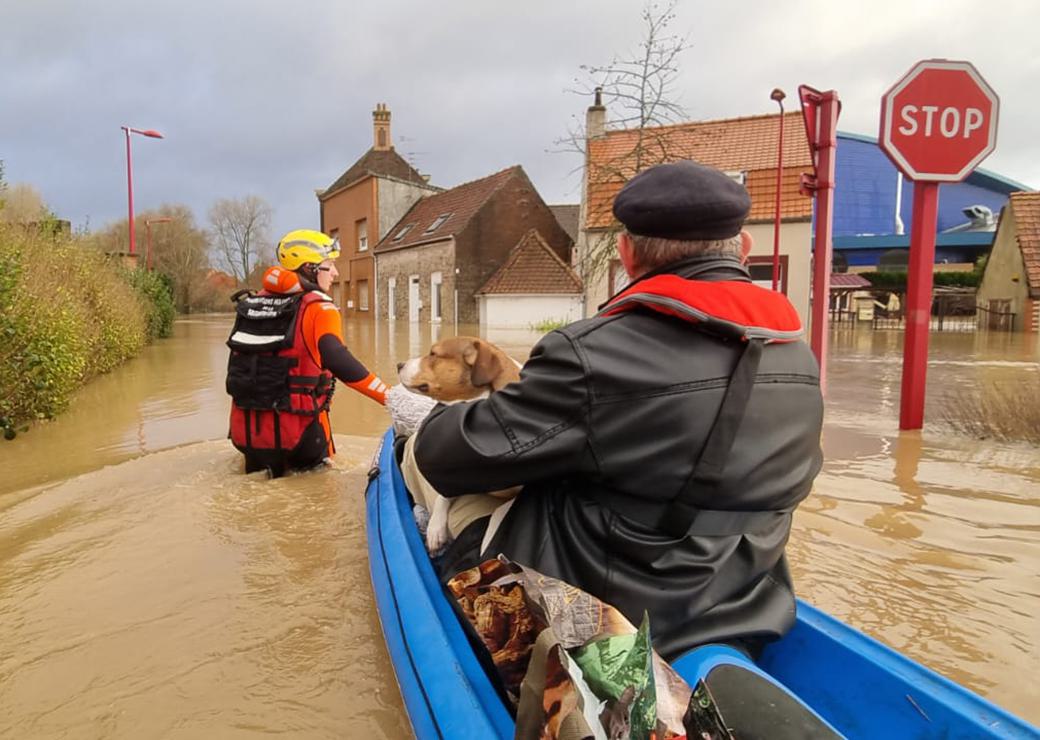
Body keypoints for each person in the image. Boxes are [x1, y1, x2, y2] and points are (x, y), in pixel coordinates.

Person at [398, 161, 824, 659]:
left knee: (418, 458)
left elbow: (446, 457)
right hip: (744, 600)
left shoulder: (589, 353)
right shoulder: (799, 355)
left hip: (603, 612)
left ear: (626, 254)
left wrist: (429, 421)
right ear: (744, 250)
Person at [226, 229, 389, 477]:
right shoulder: (319, 307)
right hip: (301, 434)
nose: (335, 272)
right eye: (329, 265)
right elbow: (338, 360)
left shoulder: (253, 304)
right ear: (310, 268)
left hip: (249, 434)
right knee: (321, 498)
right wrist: (391, 398)